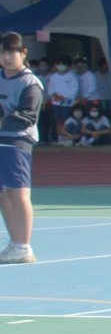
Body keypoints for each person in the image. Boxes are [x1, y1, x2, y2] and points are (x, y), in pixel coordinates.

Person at [0, 32, 43, 264]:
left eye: (11, 52)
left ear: (23, 53)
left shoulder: (30, 82)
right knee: (3, 194)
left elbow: (28, 115)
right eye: (2, 52)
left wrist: (3, 120)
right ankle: (14, 242)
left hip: (17, 143)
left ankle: (24, 246)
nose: (7, 57)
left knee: (19, 193)